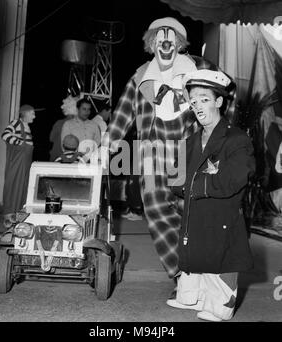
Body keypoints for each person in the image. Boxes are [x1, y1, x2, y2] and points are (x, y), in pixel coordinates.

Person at [103, 17, 199, 279]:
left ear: (179, 43)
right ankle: (183, 274)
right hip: (154, 152)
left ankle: (204, 268)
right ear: (151, 43)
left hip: (189, 149)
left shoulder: (196, 69)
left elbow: (226, 96)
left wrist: (221, 136)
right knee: (156, 207)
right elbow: (123, 113)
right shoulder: (141, 76)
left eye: (170, 39)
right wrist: (105, 147)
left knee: (191, 211)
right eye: (159, 39)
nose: (164, 44)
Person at [167, 69, 255, 321]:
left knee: (220, 257)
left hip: (223, 216)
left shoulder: (236, 140)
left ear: (219, 102)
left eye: (204, 99)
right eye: (193, 101)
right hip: (194, 216)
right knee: (193, 253)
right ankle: (191, 298)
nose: (196, 105)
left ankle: (221, 307)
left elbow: (233, 180)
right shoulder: (190, 140)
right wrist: (190, 183)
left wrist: (192, 183)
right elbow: (175, 179)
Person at [1, 104, 41, 221]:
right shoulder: (16, 123)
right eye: (32, 113)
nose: (34, 116)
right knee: (13, 183)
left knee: (23, 185)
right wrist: (19, 143)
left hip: (26, 160)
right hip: (18, 161)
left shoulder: (26, 126)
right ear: (25, 113)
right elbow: (5, 135)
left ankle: (19, 211)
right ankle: (9, 213)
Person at [49, 94, 78, 161]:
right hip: (71, 157)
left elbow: (51, 139)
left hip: (56, 155)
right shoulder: (78, 125)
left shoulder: (58, 123)